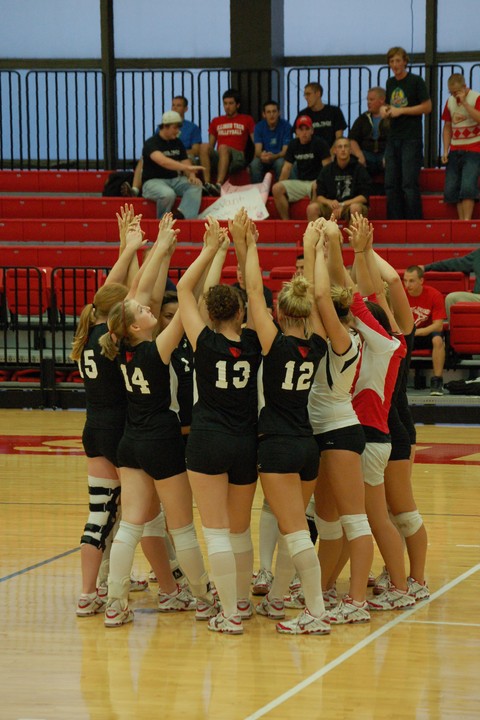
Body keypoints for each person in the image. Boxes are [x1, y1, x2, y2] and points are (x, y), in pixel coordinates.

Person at [99, 217, 214, 627]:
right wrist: (208, 250)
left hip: (130, 443)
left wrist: (160, 248)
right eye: (144, 312)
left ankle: (114, 604)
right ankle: (202, 597)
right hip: (162, 441)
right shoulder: (154, 351)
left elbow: (133, 295)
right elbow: (185, 306)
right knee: (181, 527)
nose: (149, 309)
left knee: (130, 524)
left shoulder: (120, 352)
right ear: (134, 327)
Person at [244, 217, 331, 636]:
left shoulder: (274, 344)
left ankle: (314, 610)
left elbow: (254, 292)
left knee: (294, 530)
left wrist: (248, 245)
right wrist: (312, 247)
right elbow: (318, 295)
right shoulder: (315, 344)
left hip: (277, 446)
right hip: (307, 445)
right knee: (289, 527)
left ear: (280, 312)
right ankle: (279, 598)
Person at [176, 214, 262, 635]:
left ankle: (227, 613)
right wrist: (245, 246)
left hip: (208, 442)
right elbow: (256, 293)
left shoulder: (204, 341)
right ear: (242, 312)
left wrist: (212, 247)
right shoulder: (254, 341)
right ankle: (242, 602)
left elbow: (182, 290)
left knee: (217, 534)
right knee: (241, 530)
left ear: (210, 314)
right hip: (246, 443)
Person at [308, 219, 373, 624]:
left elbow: (319, 292)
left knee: (354, 520)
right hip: (321, 433)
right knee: (328, 524)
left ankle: (357, 601)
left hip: (340, 432)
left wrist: (315, 249)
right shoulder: (329, 332)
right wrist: (330, 248)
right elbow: (322, 292)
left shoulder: (345, 337)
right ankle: (326, 587)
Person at [380, 46, 432, 219]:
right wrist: (385, 109)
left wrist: (402, 111)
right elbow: (391, 105)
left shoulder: (416, 81)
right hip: (393, 137)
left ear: (405, 62)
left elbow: (427, 106)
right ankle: (395, 221)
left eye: (398, 60)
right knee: (390, 183)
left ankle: (414, 221)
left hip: (411, 137)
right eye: (392, 61)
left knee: (408, 183)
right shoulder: (390, 83)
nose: (395, 64)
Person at [121, 96, 203, 198]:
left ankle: (183, 213)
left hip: (184, 156)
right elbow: (159, 155)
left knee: (191, 176)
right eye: (173, 105)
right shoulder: (154, 139)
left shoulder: (192, 128)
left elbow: (195, 150)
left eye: (178, 105)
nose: (175, 108)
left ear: (186, 109)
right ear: (165, 127)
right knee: (144, 158)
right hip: (164, 159)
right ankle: (135, 190)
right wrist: (184, 165)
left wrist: (190, 173)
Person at [141, 110, 204, 219]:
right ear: (165, 127)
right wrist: (187, 167)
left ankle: (184, 216)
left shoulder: (178, 142)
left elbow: (185, 160)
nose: (178, 131)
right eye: (175, 128)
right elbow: (163, 161)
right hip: (152, 182)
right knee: (168, 194)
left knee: (196, 185)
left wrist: (192, 175)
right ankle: (162, 221)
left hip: (174, 180)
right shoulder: (151, 143)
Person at [272, 115, 331, 220]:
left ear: (312, 131)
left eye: (307, 129)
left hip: (317, 182)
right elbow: (286, 168)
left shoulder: (320, 143)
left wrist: (323, 185)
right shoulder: (293, 144)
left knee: (316, 186)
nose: (304, 132)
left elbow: (328, 169)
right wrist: (281, 183)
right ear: (296, 132)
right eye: (301, 129)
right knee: (276, 188)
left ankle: (313, 225)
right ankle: (286, 223)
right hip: (301, 182)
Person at [199, 89, 255, 195]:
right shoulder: (216, 121)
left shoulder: (247, 119)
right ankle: (207, 184)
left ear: (237, 105)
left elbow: (255, 141)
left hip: (237, 158)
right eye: (225, 103)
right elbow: (211, 145)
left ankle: (219, 185)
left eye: (230, 103)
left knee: (223, 147)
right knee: (204, 146)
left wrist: (253, 160)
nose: (227, 107)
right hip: (221, 155)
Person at [441, 73, 480, 220]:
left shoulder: (476, 97)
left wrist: (464, 103)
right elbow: (447, 127)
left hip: (474, 148)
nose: (453, 95)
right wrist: (445, 149)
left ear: (464, 87)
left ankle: (467, 220)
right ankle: (461, 221)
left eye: (456, 92)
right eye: (451, 92)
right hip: (455, 148)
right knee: (453, 187)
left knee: (468, 185)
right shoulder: (449, 101)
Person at [403, 265, 446, 395]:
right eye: (405, 280)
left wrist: (417, 332)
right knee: (396, 341)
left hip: (425, 333)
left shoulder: (434, 294)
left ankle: (437, 381)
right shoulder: (400, 295)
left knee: (438, 340)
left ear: (421, 281)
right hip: (407, 333)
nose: (407, 285)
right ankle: (400, 381)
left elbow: (438, 325)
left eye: (411, 281)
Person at [307, 137, 371, 222]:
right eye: (340, 147)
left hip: (351, 205)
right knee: (312, 208)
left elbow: (364, 197)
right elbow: (319, 197)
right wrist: (329, 202)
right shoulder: (326, 170)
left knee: (355, 208)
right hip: (331, 206)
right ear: (334, 150)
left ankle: (355, 235)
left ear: (350, 150)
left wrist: (343, 204)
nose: (343, 149)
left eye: (346, 146)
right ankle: (315, 235)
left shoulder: (359, 169)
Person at [422, 248, 480, 319]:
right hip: (478, 297)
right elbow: (454, 263)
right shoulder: (477, 255)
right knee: (451, 298)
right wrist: (426, 268)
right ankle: (453, 329)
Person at [349, 87, 390, 177]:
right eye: (367, 100)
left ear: (382, 100)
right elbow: (352, 139)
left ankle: (392, 190)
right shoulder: (363, 118)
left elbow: (395, 139)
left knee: (393, 159)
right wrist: (359, 154)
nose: (368, 102)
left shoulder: (391, 117)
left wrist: (388, 154)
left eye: (371, 99)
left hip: (385, 154)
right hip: (367, 154)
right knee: (352, 159)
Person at [249, 100, 292, 183]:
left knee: (280, 163)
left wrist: (274, 156)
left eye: (274, 111)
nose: (272, 115)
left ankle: (279, 191)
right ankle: (258, 192)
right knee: (254, 164)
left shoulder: (286, 126)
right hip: (264, 158)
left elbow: (285, 151)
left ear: (279, 113)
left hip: (279, 157)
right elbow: (257, 150)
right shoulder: (259, 127)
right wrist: (262, 155)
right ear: (264, 114)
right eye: (268, 112)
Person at [295, 82, 347, 148]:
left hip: (331, 151)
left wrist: (331, 153)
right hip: (309, 153)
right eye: (305, 95)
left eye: (308, 94)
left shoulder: (334, 111)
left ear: (318, 94)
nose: (306, 97)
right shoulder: (303, 114)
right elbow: (298, 138)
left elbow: (339, 137)